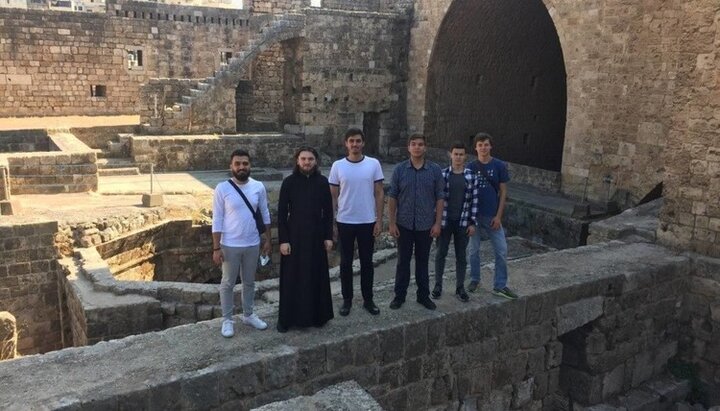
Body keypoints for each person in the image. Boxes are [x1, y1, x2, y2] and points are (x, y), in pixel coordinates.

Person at [212, 149, 271, 337]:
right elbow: (217, 219)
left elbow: (264, 213)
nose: (241, 167)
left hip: (252, 243)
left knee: (249, 282)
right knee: (228, 283)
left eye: (245, 163)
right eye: (237, 164)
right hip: (229, 244)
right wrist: (216, 247)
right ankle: (227, 320)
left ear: (250, 165)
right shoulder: (222, 188)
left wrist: (268, 240)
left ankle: (248, 314)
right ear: (231, 166)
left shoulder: (258, 187)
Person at [276, 147, 334, 332]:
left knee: (316, 277)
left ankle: (317, 317)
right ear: (297, 161)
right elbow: (282, 214)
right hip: (294, 238)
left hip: (316, 237)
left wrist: (328, 237)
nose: (307, 162)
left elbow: (328, 212)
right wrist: (283, 240)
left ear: (315, 161)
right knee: (292, 278)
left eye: (310, 159)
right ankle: (287, 319)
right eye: (303, 159)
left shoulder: (323, 182)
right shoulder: (289, 183)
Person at [328, 128, 384, 316]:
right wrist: (332, 223)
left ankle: (368, 299)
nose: (355, 144)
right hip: (345, 221)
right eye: (351, 141)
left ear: (363, 143)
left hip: (367, 220)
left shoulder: (373, 164)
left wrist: (378, 219)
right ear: (346, 143)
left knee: (367, 263)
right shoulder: (338, 166)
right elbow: (333, 196)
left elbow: (379, 192)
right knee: (345, 263)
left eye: (358, 141)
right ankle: (347, 300)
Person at [388, 133, 444, 310]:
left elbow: (440, 198)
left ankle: (423, 296)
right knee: (402, 261)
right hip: (403, 224)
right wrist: (391, 222)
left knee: (423, 261)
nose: (417, 147)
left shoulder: (435, 170)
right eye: (414, 144)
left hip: (425, 225)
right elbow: (392, 197)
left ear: (425, 148)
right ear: (409, 147)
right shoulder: (400, 170)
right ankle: (399, 296)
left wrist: (437, 223)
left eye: (420, 144)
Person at [466, 132, 518, 299]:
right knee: (473, 251)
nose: (483, 148)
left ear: (490, 146)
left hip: (492, 216)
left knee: (501, 250)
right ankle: (475, 279)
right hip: (474, 216)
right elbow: (466, 194)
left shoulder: (499, 166)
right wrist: (469, 220)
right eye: (480, 145)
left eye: (486, 144)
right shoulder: (471, 167)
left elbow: (503, 192)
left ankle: (500, 285)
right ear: (476, 148)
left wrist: (498, 216)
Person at [432, 142, 477, 303]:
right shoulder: (442, 175)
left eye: (461, 154)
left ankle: (460, 287)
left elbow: (474, 202)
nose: (458, 157)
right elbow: (436, 199)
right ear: (450, 155)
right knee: (440, 254)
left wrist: (472, 223)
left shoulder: (471, 176)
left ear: (465, 156)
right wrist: (435, 222)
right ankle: (438, 286)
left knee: (461, 256)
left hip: (463, 222)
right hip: (444, 221)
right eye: (455, 154)